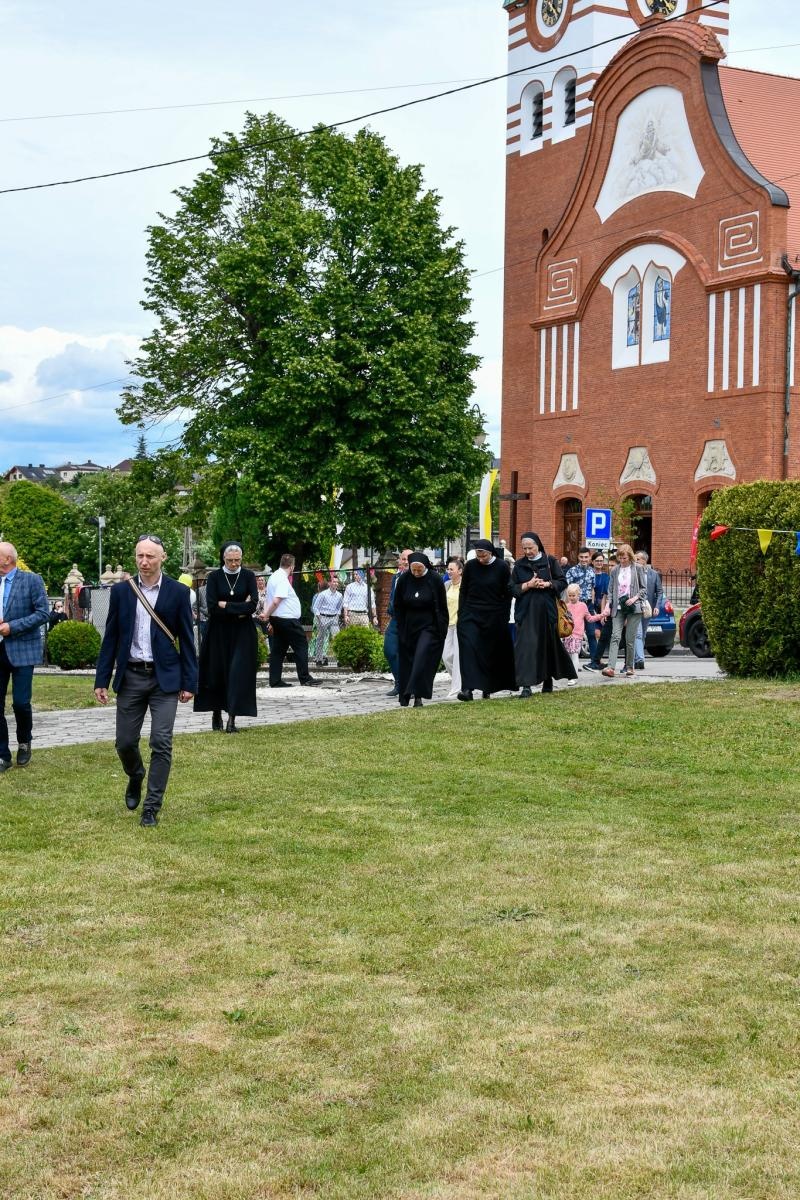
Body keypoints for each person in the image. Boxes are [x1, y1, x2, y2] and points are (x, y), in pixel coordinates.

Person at [94, 534, 197, 826]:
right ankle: (136, 774)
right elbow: (111, 638)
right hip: (131, 676)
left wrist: (190, 682)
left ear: (162, 558)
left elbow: (188, 641)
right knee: (124, 742)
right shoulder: (122, 592)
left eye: (150, 556)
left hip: (165, 679)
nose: (144, 561)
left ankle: (151, 806)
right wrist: (101, 679)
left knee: (161, 742)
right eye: (140, 555)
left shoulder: (177, 593)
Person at [194, 543, 259, 733]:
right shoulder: (214, 577)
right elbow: (213, 607)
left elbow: (253, 605)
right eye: (230, 560)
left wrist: (227, 606)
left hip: (242, 633)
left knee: (237, 673)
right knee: (217, 672)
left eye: (237, 560)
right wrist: (239, 608)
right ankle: (216, 711)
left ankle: (232, 718)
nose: (233, 563)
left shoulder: (248, 576)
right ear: (223, 558)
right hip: (218, 632)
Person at [0, 542, 49, 773]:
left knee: (20, 702)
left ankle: (24, 740)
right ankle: (2, 754)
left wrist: (12, 627)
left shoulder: (31, 580)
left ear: (7, 559)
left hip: (22, 650)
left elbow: (42, 613)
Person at [511, 532, 577, 697]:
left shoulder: (550, 561)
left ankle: (547, 680)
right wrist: (528, 585)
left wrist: (547, 584)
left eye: (530, 548)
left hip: (547, 612)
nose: (527, 551)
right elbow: (511, 588)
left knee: (547, 646)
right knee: (526, 648)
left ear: (538, 545)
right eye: (524, 548)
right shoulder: (519, 565)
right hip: (526, 612)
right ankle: (526, 686)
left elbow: (562, 582)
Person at [457, 539, 515, 700]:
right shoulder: (470, 566)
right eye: (478, 555)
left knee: (488, 652)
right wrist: (461, 613)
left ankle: (487, 687)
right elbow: (464, 590)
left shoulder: (502, 567)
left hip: (493, 615)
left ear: (490, 553)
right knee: (468, 649)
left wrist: (503, 616)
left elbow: (507, 593)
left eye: (483, 556)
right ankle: (467, 689)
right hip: (471, 613)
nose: (480, 559)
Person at [393, 552, 448, 707]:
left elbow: (442, 606)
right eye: (413, 570)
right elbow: (398, 605)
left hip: (429, 627)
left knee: (421, 656)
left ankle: (415, 692)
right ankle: (413, 695)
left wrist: (442, 628)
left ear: (425, 567)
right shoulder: (404, 579)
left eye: (419, 570)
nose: (416, 573)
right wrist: (401, 627)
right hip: (409, 627)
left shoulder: (435, 579)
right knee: (409, 661)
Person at [260, 553, 320, 688]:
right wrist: (267, 615)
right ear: (292, 567)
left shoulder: (273, 577)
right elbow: (276, 601)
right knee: (301, 645)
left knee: (278, 650)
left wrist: (268, 615)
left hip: (278, 620)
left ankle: (275, 681)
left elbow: (268, 599)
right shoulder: (281, 579)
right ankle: (305, 678)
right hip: (287, 619)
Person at [601, 543, 647, 679]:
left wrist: (634, 598)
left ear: (630, 557)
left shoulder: (637, 568)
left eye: (624, 558)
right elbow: (610, 590)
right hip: (618, 607)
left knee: (630, 639)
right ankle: (611, 667)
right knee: (615, 636)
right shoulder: (615, 570)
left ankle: (629, 667)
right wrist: (608, 605)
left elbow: (644, 589)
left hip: (634, 607)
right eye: (620, 558)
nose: (622, 561)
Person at [383, 549, 411, 697]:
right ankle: (400, 683)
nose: (405, 561)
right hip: (395, 619)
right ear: (399, 561)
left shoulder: (415, 577)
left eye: (408, 559)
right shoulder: (396, 577)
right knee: (389, 650)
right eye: (403, 559)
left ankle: (410, 686)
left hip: (410, 620)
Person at [632, 550, 665, 669]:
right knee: (638, 634)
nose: (635, 561)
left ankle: (637, 658)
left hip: (648, 608)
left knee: (643, 634)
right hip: (635, 607)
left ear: (644, 561)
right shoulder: (632, 573)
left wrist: (657, 607)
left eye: (638, 559)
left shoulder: (653, 574)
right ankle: (640, 659)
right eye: (634, 559)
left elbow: (660, 592)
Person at [563, 583, 601, 681]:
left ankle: (573, 677)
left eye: (573, 595)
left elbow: (590, 618)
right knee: (570, 655)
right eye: (569, 595)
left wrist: (601, 615)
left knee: (575, 654)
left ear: (578, 594)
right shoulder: (566, 606)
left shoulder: (583, 606)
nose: (571, 598)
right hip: (568, 635)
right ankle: (571, 673)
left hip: (577, 635)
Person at [583, 551, 610, 672]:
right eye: (597, 561)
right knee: (594, 634)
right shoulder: (589, 574)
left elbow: (607, 594)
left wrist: (605, 611)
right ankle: (596, 659)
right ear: (592, 562)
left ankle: (597, 660)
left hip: (603, 608)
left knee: (600, 635)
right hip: (591, 607)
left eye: (601, 560)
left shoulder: (606, 576)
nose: (599, 563)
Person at [443, 556, 464, 699]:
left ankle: (456, 689)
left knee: (457, 657)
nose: (449, 571)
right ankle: (460, 681)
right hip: (447, 625)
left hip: (460, 625)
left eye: (452, 569)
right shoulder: (446, 585)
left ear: (460, 571)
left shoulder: (465, 586)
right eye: (448, 569)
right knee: (446, 656)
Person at [311, 576, 343, 666]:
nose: (335, 583)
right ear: (329, 583)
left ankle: (340, 659)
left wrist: (337, 616)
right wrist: (319, 618)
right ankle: (318, 659)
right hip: (323, 617)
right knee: (320, 639)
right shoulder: (323, 594)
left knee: (337, 638)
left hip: (334, 618)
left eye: (337, 582)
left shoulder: (340, 595)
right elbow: (315, 607)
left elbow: (339, 608)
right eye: (334, 581)